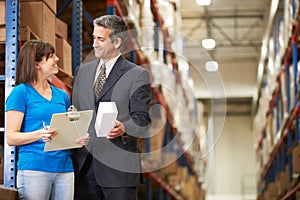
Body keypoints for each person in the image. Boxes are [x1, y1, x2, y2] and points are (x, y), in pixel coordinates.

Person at [71, 15, 151, 200]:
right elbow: (75, 112)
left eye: (101, 39)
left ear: (116, 42)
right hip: (84, 167)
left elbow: (142, 119)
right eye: (93, 38)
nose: (94, 44)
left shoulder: (136, 75)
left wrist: (124, 128)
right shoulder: (82, 72)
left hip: (118, 171)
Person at [5, 40, 90, 200]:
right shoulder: (20, 92)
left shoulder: (62, 95)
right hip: (35, 169)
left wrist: (78, 138)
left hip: (65, 169)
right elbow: (11, 137)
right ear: (37, 64)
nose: (57, 59)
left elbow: (66, 130)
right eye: (51, 56)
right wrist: (39, 134)